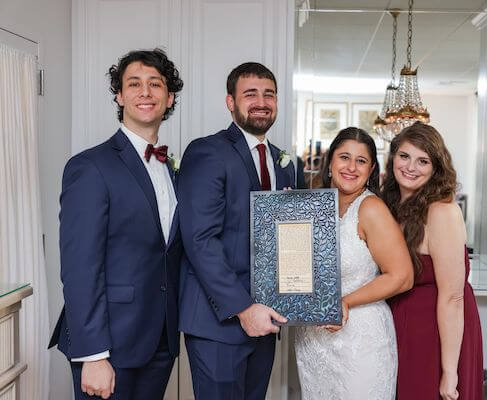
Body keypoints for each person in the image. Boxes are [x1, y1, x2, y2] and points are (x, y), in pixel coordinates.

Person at [48, 48, 184, 399]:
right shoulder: (90, 166)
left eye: (155, 84)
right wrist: (93, 354)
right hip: (108, 344)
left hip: (160, 339)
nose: (145, 92)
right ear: (120, 96)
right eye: (134, 84)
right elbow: (80, 267)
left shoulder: (170, 168)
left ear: (169, 98)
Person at [177, 62, 296, 400]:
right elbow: (200, 240)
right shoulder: (207, 152)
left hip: (266, 320)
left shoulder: (283, 162)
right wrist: (244, 308)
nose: (261, 101)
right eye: (250, 94)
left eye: (269, 94)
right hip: (220, 321)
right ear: (231, 102)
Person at [294, 127, 414, 400]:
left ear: (371, 169)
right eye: (344, 157)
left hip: (360, 340)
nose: (351, 167)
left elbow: (402, 276)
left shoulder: (371, 208)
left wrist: (345, 302)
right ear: (330, 162)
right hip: (314, 339)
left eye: (361, 161)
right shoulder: (313, 205)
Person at [381, 122, 483, 400]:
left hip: (437, 331)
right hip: (402, 323)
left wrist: (449, 370)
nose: (410, 167)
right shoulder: (390, 205)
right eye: (404, 156)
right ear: (393, 159)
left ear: (436, 168)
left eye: (422, 160)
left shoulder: (442, 212)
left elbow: (453, 296)